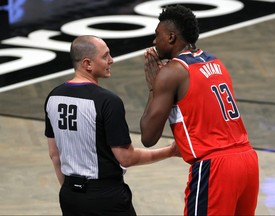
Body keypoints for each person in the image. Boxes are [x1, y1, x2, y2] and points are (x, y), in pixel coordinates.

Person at [140, 5, 259, 216]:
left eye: (157, 35)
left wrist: (153, 87)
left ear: (171, 37)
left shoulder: (172, 72)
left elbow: (148, 137)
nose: (154, 41)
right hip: (247, 160)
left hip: (216, 167)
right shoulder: (216, 62)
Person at [44, 35, 178, 216]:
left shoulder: (53, 97)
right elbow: (126, 158)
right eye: (105, 56)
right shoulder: (108, 101)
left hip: (69, 196)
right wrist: (170, 151)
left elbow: (54, 154)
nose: (111, 60)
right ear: (87, 64)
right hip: (106, 198)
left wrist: (71, 190)